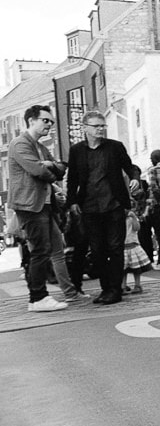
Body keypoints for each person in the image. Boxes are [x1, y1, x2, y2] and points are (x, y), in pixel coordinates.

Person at [6, 105, 80, 311]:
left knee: (55, 248)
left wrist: (51, 165)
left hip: (45, 205)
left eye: (51, 122)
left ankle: (67, 291)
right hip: (30, 205)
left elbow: (61, 168)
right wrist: (48, 166)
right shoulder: (20, 144)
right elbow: (38, 171)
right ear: (32, 121)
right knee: (40, 251)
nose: (49, 125)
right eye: (45, 120)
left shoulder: (40, 146)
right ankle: (37, 298)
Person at [66, 110, 136, 305]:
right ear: (85, 128)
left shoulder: (115, 147)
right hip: (89, 207)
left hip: (113, 205)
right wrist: (72, 202)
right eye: (96, 126)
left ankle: (115, 290)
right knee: (97, 251)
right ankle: (106, 288)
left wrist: (135, 179)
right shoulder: (77, 150)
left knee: (115, 248)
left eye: (102, 126)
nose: (100, 129)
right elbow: (72, 179)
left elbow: (130, 167)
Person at [122, 208, 152, 294]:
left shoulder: (131, 217)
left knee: (136, 268)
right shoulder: (117, 218)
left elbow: (137, 228)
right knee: (123, 269)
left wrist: (134, 217)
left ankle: (137, 285)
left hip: (132, 244)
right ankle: (123, 286)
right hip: (123, 245)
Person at [128, 164, 155, 260]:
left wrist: (146, 211)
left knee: (145, 236)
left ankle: (148, 258)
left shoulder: (143, 184)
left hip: (144, 213)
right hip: (132, 214)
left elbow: (149, 198)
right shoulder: (128, 184)